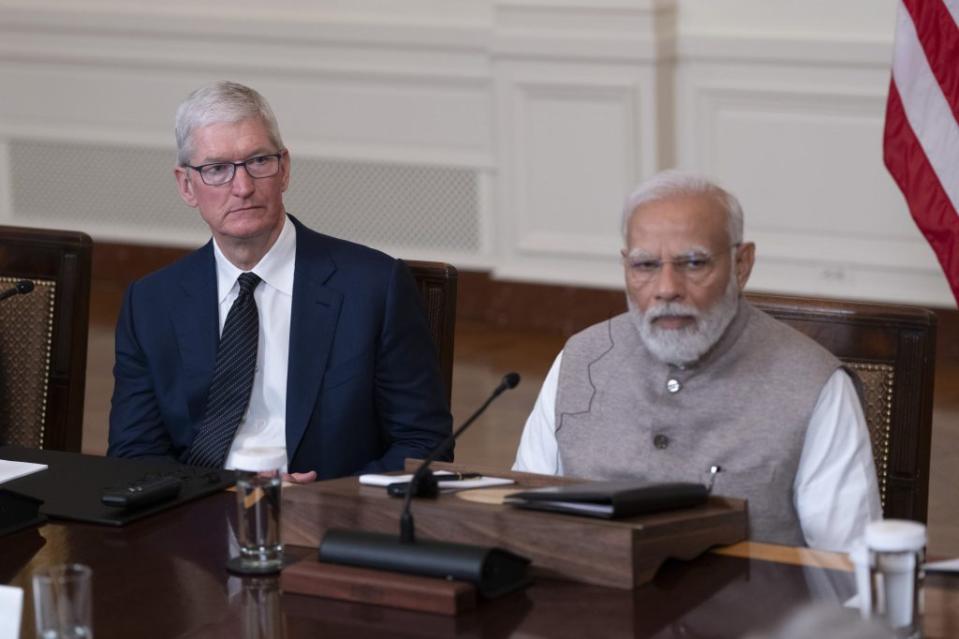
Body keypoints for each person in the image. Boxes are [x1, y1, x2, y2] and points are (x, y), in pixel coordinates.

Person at [513, 170, 881, 552]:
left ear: (742, 265)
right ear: (626, 266)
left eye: (693, 263)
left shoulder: (812, 383)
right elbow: (522, 523)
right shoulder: (581, 360)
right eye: (646, 266)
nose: (667, 288)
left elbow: (850, 569)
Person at [108, 81, 452, 480]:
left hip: (324, 517)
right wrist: (213, 497)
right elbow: (134, 452)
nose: (243, 187)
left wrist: (328, 500)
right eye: (217, 169)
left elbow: (426, 444)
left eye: (258, 161)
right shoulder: (151, 303)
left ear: (284, 168)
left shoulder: (374, 288)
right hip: (197, 514)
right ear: (187, 185)